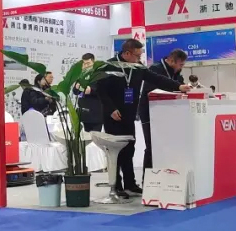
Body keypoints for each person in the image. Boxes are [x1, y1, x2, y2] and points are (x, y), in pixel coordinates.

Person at [92, 39, 189, 199]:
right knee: (115, 151)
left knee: (129, 148)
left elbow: (156, 78)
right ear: (127, 53)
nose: (139, 59)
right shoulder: (108, 66)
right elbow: (101, 90)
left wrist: (178, 86)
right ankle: (116, 185)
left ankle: (130, 183)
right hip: (113, 115)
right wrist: (111, 109)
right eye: (137, 55)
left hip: (129, 113)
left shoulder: (137, 67)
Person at [140, 49, 187, 175]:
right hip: (150, 113)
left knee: (166, 146)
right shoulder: (155, 69)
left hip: (167, 113)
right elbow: (151, 91)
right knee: (152, 147)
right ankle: (148, 179)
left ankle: (165, 176)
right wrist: (175, 89)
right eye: (180, 64)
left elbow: (180, 85)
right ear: (171, 61)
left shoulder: (176, 73)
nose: (181, 67)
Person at [75, 53, 103, 132]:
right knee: (86, 136)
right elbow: (75, 91)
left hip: (96, 112)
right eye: (84, 63)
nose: (86, 66)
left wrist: (90, 90)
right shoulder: (81, 75)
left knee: (95, 136)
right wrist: (78, 88)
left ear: (93, 62)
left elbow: (100, 90)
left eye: (88, 63)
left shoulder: (99, 75)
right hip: (84, 112)